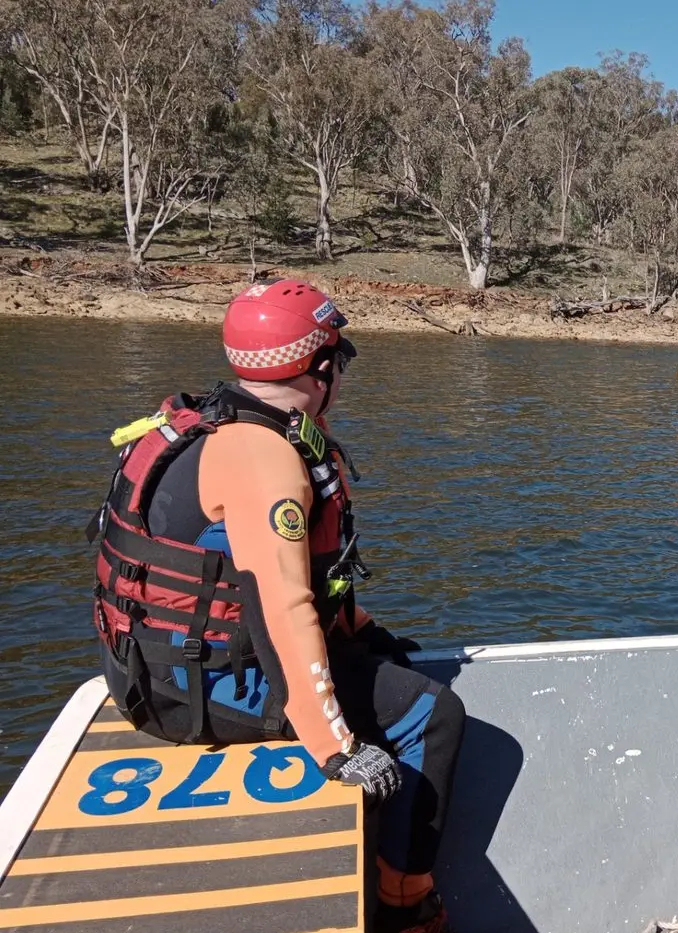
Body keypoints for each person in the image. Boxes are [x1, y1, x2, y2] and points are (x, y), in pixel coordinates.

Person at [88, 279, 466, 933]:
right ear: (320, 370)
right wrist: (335, 747)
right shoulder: (266, 460)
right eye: (338, 361)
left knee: (389, 669)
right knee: (433, 715)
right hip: (190, 691)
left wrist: (366, 633)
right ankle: (405, 904)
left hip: (146, 665)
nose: (340, 376)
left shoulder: (221, 423)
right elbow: (280, 607)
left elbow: (304, 578)